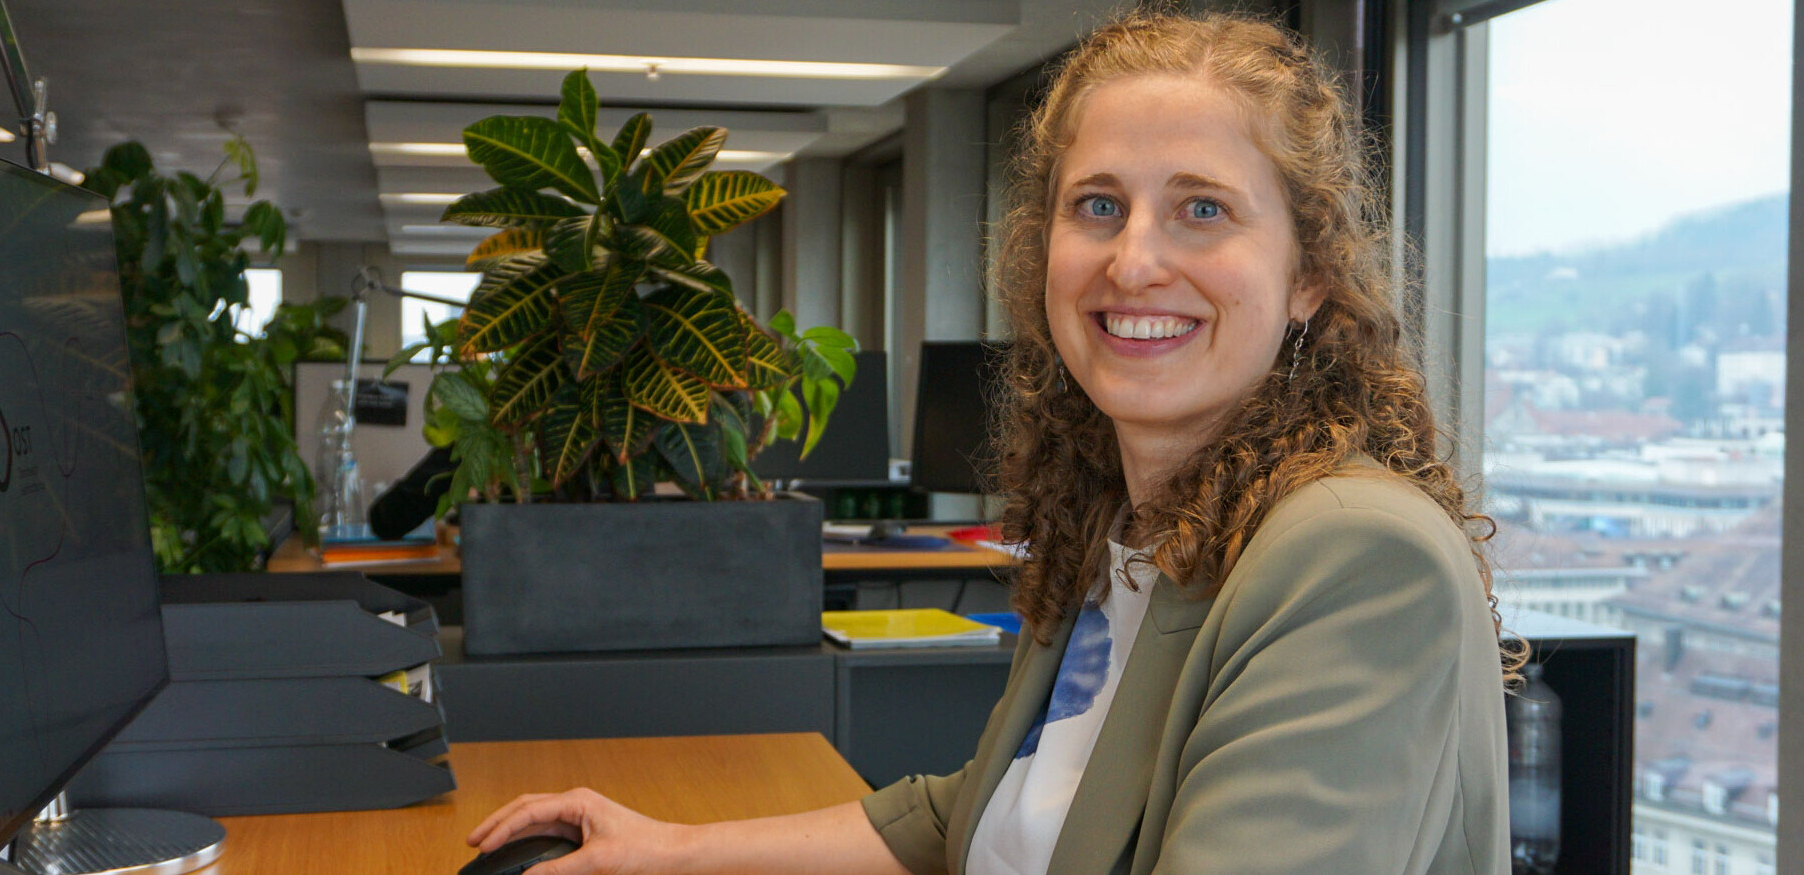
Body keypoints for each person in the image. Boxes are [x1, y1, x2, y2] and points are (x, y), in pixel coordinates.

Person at [466, 10, 1519, 874]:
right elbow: (984, 812)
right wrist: (664, 847)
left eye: (1202, 208)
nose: (1136, 259)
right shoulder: (1131, 527)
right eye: (1098, 205)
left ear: (1308, 278)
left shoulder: (1351, 557)